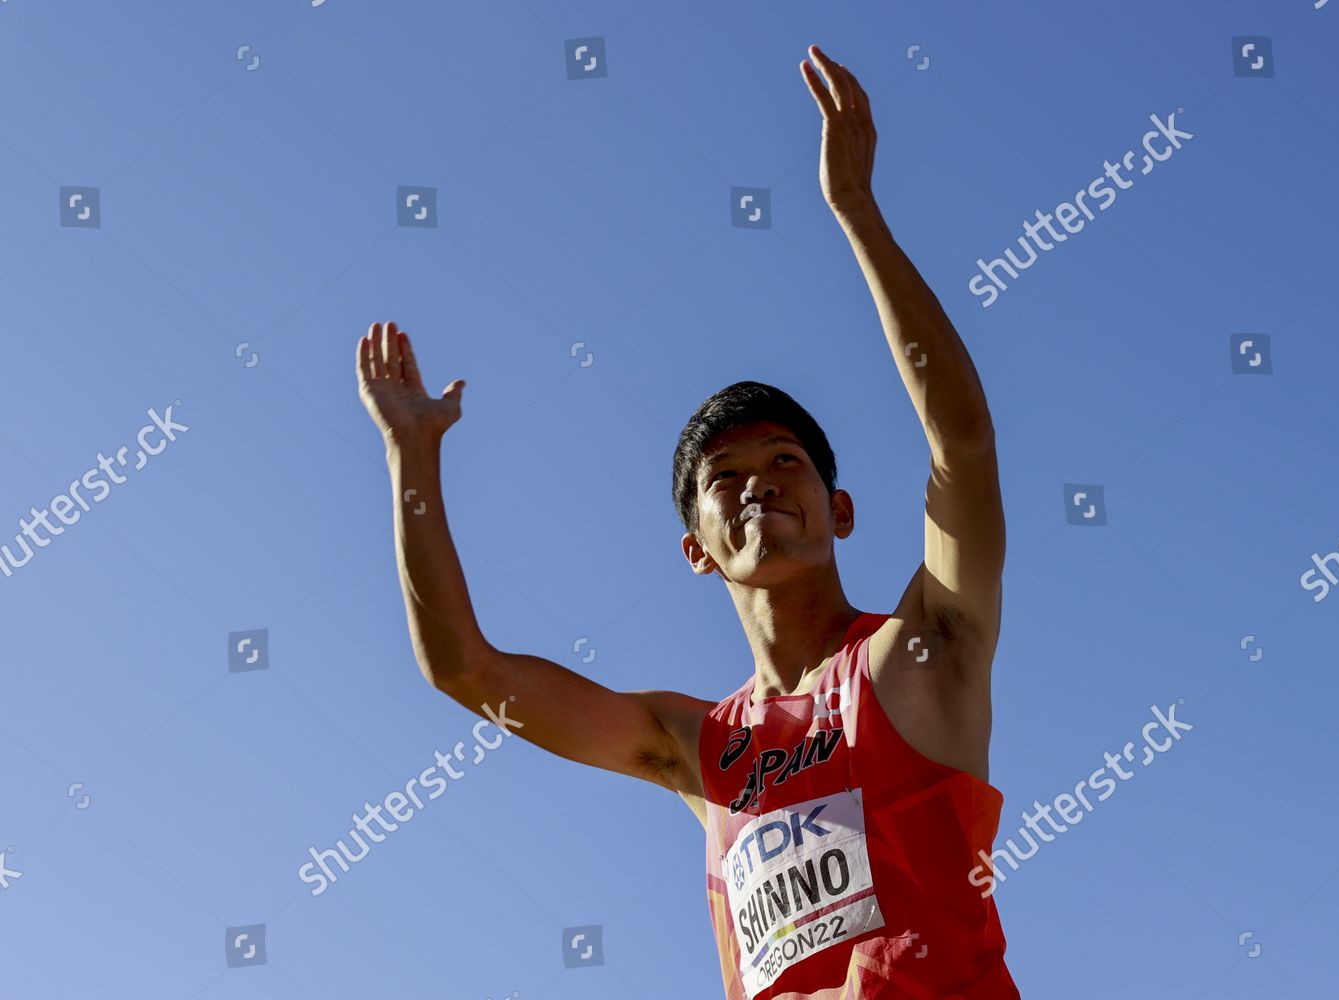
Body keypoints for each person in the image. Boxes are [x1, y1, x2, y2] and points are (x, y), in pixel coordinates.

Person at [356, 43, 1020, 1000]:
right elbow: (466, 670)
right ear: (696, 550)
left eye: (784, 461)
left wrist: (857, 210)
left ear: (839, 510)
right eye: (726, 478)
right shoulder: (694, 748)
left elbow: (962, 443)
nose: (757, 486)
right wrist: (412, 458)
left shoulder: (922, 652)